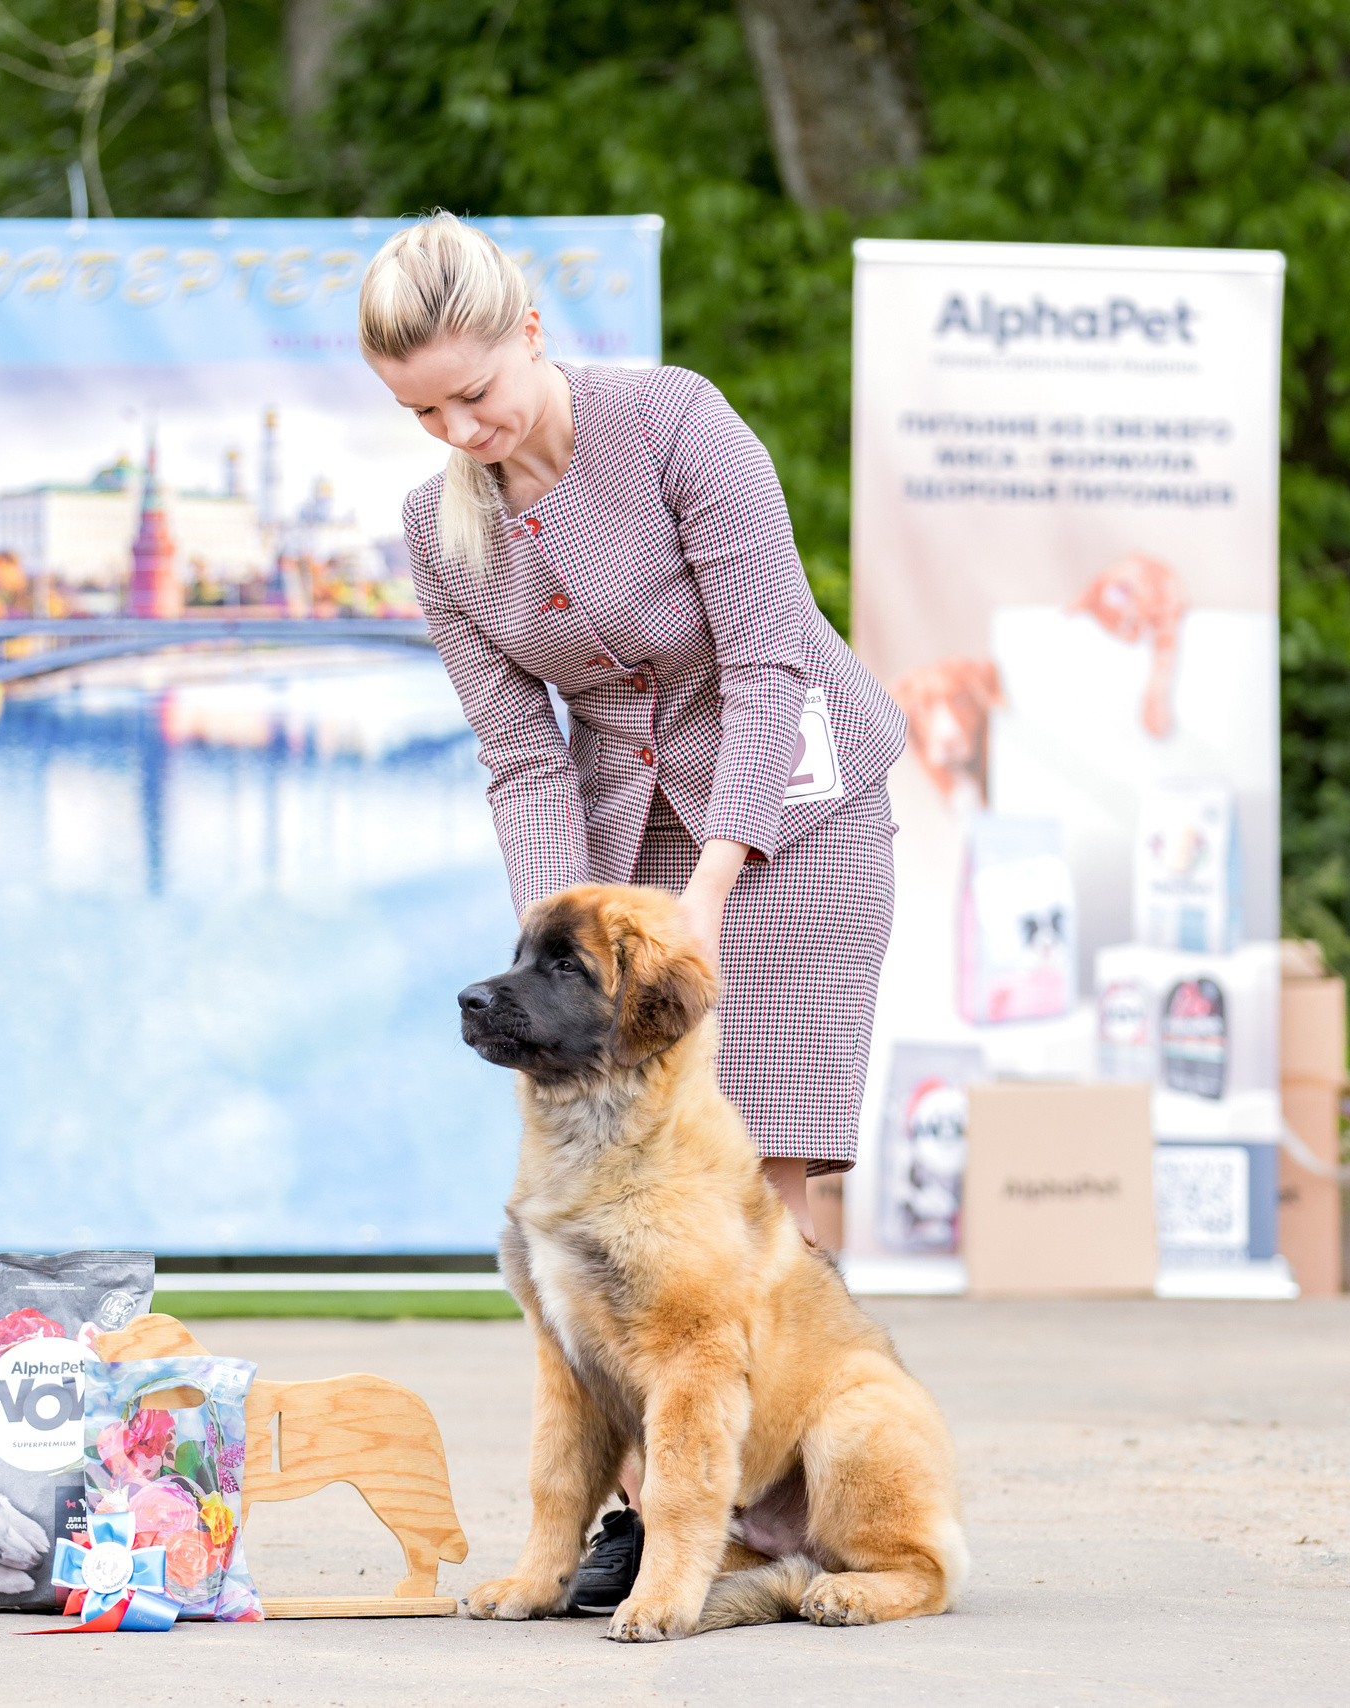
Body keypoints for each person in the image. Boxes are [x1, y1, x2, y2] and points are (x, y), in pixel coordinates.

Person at [357, 212, 908, 1613]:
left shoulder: (674, 426)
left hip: (794, 800)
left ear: (532, 331)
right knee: (599, 1202)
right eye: (421, 410)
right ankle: (632, 1515)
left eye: (473, 391)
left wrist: (711, 888)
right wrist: (558, 927)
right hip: (621, 825)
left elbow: (767, 655)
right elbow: (520, 749)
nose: (458, 429)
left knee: (751, 1172)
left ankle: (718, 1508)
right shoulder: (438, 526)